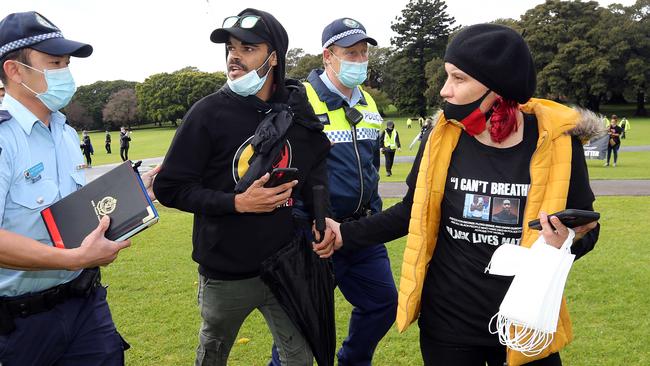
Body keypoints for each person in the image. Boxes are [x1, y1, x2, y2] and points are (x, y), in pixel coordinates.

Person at [321, 24, 601, 366]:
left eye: (458, 79)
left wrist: (566, 241)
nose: (445, 91)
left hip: (525, 322)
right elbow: (413, 212)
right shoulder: (442, 138)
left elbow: (586, 228)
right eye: (447, 77)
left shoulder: (557, 143)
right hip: (448, 325)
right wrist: (343, 235)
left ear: (496, 87)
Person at [153, 8, 332, 366]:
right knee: (213, 353)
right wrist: (237, 204)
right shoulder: (207, 113)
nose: (234, 56)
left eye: (248, 48)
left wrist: (321, 219)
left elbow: (316, 171)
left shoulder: (296, 112)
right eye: (231, 47)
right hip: (225, 272)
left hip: (284, 266)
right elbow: (170, 187)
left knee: (301, 357)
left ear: (274, 57)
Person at [0, 11, 137, 365]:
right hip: (20, 325)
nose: (66, 73)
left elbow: (73, 209)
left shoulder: (63, 131)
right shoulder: (4, 138)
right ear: (15, 71)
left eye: (67, 63)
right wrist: (72, 259)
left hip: (86, 305)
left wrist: (134, 192)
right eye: (55, 62)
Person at [270, 17, 397, 366]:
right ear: (328, 56)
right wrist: (308, 218)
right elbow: (285, 168)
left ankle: (352, 360)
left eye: (363, 53)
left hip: (360, 231)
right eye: (350, 53)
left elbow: (370, 165)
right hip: (314, 233)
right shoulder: (300, 100)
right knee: (301, 326)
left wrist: (372, 213)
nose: (359, 60)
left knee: (383, 303)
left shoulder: (368, 104)